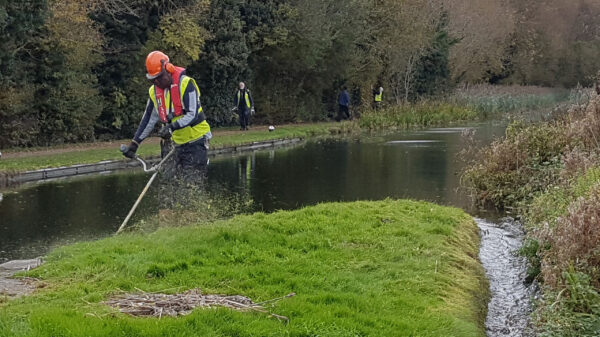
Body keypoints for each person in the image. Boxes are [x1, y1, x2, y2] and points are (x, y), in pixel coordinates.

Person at [121, 51, 211, 174]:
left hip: (196, 141)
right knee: (171, 183)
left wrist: (171, 126)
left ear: (169, 69)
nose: (157, 82)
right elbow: (148, 120)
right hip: (174, 145)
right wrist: (135, 144)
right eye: (153, 80)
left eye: (159, 77)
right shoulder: (154, 93)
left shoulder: (186, 84)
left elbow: (192, 114)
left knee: (192, 184)